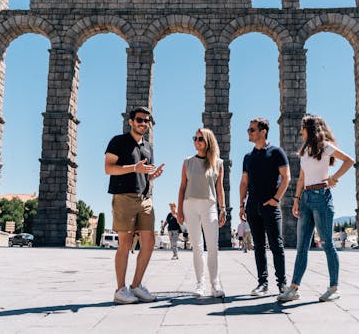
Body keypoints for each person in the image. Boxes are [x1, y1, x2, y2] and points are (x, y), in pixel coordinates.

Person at [278, 115, 354, 302]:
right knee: (301, 246)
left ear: (310, 129)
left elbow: (349, 160)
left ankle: (334, 287)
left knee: (327, 243)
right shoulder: (304, 151)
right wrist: (296, 199)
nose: (300, 131)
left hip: (322, 197)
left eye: (303, 127)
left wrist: (334, 178)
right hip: (306, 198)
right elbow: (302, 178)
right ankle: (294, 288)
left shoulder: (325, 146)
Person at [104, 106, 165, 304]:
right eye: (139, 119)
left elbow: (144, 174)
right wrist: (134, 168)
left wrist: (152, 176)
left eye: (147, 120)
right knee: (125, 243)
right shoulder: (118, 141)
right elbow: (108, 168)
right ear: (131, 121)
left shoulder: (148, 147)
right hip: (124, 197)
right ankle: (120, 290)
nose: (143, 123)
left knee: (149, 242)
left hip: (145, 198)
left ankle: (136, 286)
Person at [239, 117, 291, 296]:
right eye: (248, 129)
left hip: (270, 206)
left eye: (252, 130)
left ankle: (282, 284)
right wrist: (241, 205)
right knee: (259, 245)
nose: (248, 132)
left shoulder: (276, 152)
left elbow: (286, 177)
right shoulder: (248, 157)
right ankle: (262, 283)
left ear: (263, 132)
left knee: (277, 244)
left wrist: (276, 199)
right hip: (252, 206)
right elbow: (244, 182)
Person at [176, 127, 227, 298]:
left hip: (210, 206)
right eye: (195, 138)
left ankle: (215, 284)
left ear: (208, 142)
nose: (196, 141)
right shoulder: (187, 162)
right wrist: (179, 210)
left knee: (213, 246)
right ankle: (200, 284)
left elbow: (220, 189)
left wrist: (223, 209)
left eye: (200, 139)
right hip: (190, 206)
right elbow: (182, 187)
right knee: (197, 247)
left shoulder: (218, 163)